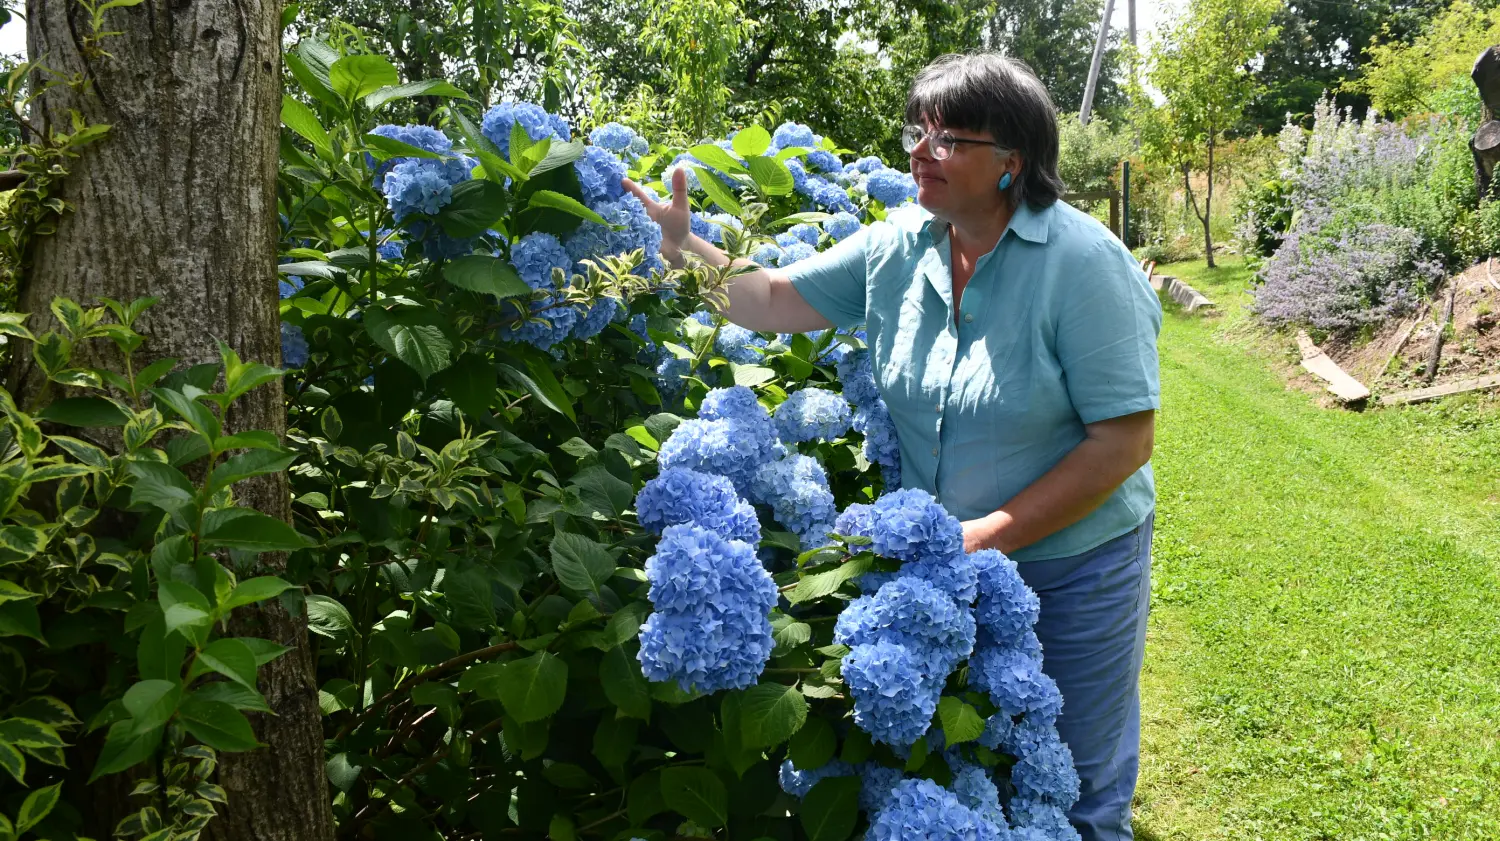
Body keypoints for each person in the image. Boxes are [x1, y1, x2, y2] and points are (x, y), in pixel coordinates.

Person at [623, 51, 1160, 841]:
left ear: (1013, 161)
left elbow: (1122, 443)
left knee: (1077, 783)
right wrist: (686, 249)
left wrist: (988, 534)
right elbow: (773, 299)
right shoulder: (899, 246)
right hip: (950, 565)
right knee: (973, 761)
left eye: (947, 140)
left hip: (1073, 565)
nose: (918, 151)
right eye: (918, 130)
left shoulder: (1083, 266)